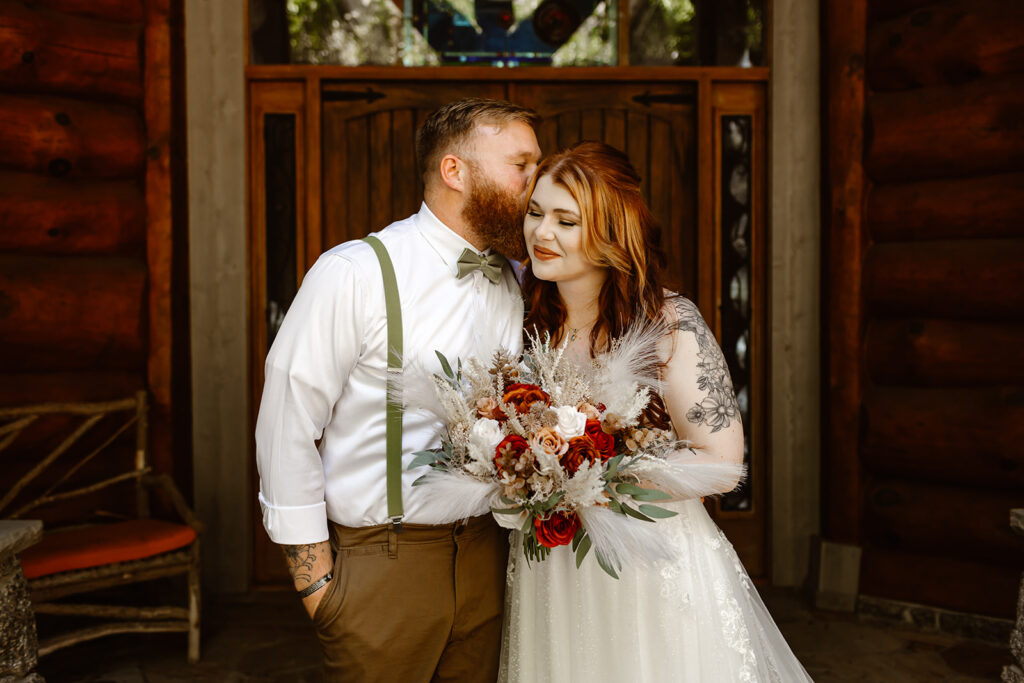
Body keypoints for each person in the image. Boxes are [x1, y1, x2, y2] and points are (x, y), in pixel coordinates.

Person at [500, 141, 813, 682]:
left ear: (610, 232)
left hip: (651, 561)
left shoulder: (670, 324)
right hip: (551, 567)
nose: (540, 233)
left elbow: (722, 462)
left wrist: (589, 475)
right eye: (535, 212)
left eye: (565, 220)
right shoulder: (520, 322)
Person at [255, 98, 542, 682]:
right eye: (522, 165)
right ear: (455, 171)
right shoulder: (354, 273)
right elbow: (285, 428)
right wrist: (317, 585)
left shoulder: (522, 279)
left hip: (491, 560)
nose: (536, 185)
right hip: (381, 566)